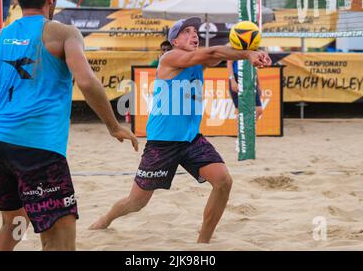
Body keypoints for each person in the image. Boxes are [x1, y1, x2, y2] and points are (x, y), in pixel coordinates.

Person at [0, 0, 138, 251]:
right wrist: (113, 126)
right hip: (39, 153)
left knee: (14, 227)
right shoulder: (62, 33)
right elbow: (87, 83)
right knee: (59, 243)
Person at [90, 17, 271, 243]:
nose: (194, 35)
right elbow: (209, 54)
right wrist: (247, 54)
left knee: (224, 181)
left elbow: (218, 53)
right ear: (174, 40)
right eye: (187, 31)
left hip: (191, 140)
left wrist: (254, 51)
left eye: (195, 31)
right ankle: (106, 219)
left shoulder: (199, 60)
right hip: (162, 143)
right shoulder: (170, 58)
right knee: (136, 203)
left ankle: (202, 243)